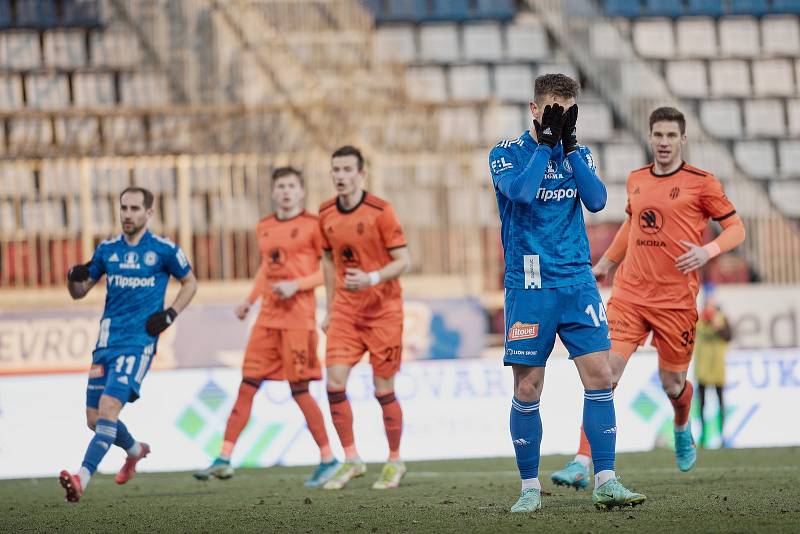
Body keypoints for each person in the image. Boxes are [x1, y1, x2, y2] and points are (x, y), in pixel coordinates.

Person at [551, 106, 746, 488]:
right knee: (604, 374)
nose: (664, 142)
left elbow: (736, 228)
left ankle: (681, 425)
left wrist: (709, 251)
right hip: (630, 294)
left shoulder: (702, 183)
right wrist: (607, 262)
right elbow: (631, 223)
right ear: (650, 136)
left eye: (672, 135)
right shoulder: (637, 179)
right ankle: (582, 461)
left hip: (675, 302)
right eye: (658, 134)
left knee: (673, 384)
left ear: (682, 140)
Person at [489, 73, 645, 513]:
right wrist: (544, 145)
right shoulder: (506, 153)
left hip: (577, 282)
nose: (558, 117)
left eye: (567, 110)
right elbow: (520, 194)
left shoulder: (581, 154)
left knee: (601, 377)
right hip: (530, 284)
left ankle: (607, 480)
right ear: (534, 110)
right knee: (529, 387)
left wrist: (570, 147)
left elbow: (596, 201)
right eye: (551, 109)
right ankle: (529, 488)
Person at [193, 167, 340, 487]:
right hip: (267, 321)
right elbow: (266, 269)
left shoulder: (314, 227)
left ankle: (329, 458)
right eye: (281, 186)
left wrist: (298, 285)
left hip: (298, 322)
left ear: (301, 192)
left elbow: (331, 271)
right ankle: (224, 457)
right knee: (247, 385)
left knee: (299, 390)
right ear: (273, 193)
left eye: (291, 186)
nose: (286, 191)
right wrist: (249, 300)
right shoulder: (264, 226)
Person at [60, 186, 198, 503]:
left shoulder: (164, 250)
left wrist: (170, 315)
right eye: (124, 208)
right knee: (94, 420)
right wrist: (72, 275)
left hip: (138, 344)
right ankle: (135, 451)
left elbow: (190, 282)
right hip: (106, 343)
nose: (128, 214)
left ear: (149, 213)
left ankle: (81, 478)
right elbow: (79, 291)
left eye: (135, 209)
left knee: (109, 408)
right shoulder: (107, 250)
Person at [317, 145, 411, 490]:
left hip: (383, 312)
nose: (340, 176)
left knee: (382, 388)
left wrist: (372, 278)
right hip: (345, 311)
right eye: (335, 170)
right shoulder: (325, 213)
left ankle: (394, 460)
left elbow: (404, 260)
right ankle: (352, 458)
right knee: (333, 383)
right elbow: (327, 261)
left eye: (346, 169)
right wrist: (329, 308)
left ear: (361, 174)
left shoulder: (381, 211)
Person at [694, 286, 732, 448]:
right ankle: (703, 434)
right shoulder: (699, 320)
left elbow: (729, 336)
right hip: (702, 368)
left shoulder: (722, 319)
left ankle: (722, 434)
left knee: (720, 402)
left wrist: (718, 325)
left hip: (717, 368)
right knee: (702, 404)